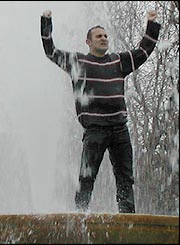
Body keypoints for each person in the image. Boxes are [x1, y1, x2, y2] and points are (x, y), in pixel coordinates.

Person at [41, 10, 161, 213]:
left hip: (119, 130)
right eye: (99, 36)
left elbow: (143, 51)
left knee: (125, 177)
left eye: (105, 36)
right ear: (88, 41)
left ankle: (127, 217)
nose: (104, 39)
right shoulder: (77, 63)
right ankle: (80, 216)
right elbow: (50, 51)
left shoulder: (118, 61)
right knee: (87, 176)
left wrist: (151, 24)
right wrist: (46, 21)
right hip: (95, 130)